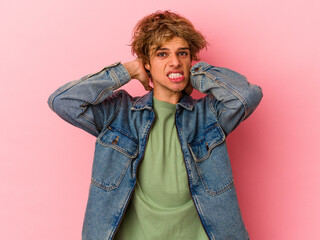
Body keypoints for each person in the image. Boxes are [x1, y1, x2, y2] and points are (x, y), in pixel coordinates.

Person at [48, 10, 263, 240]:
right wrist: (128, 70)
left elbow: (246, 96)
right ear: (147, 63)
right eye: (162, 54)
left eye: (183, 53)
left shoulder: (209, 115)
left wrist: (197, 74)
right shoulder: (120, 114)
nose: (175, 62)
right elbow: (63, 101)